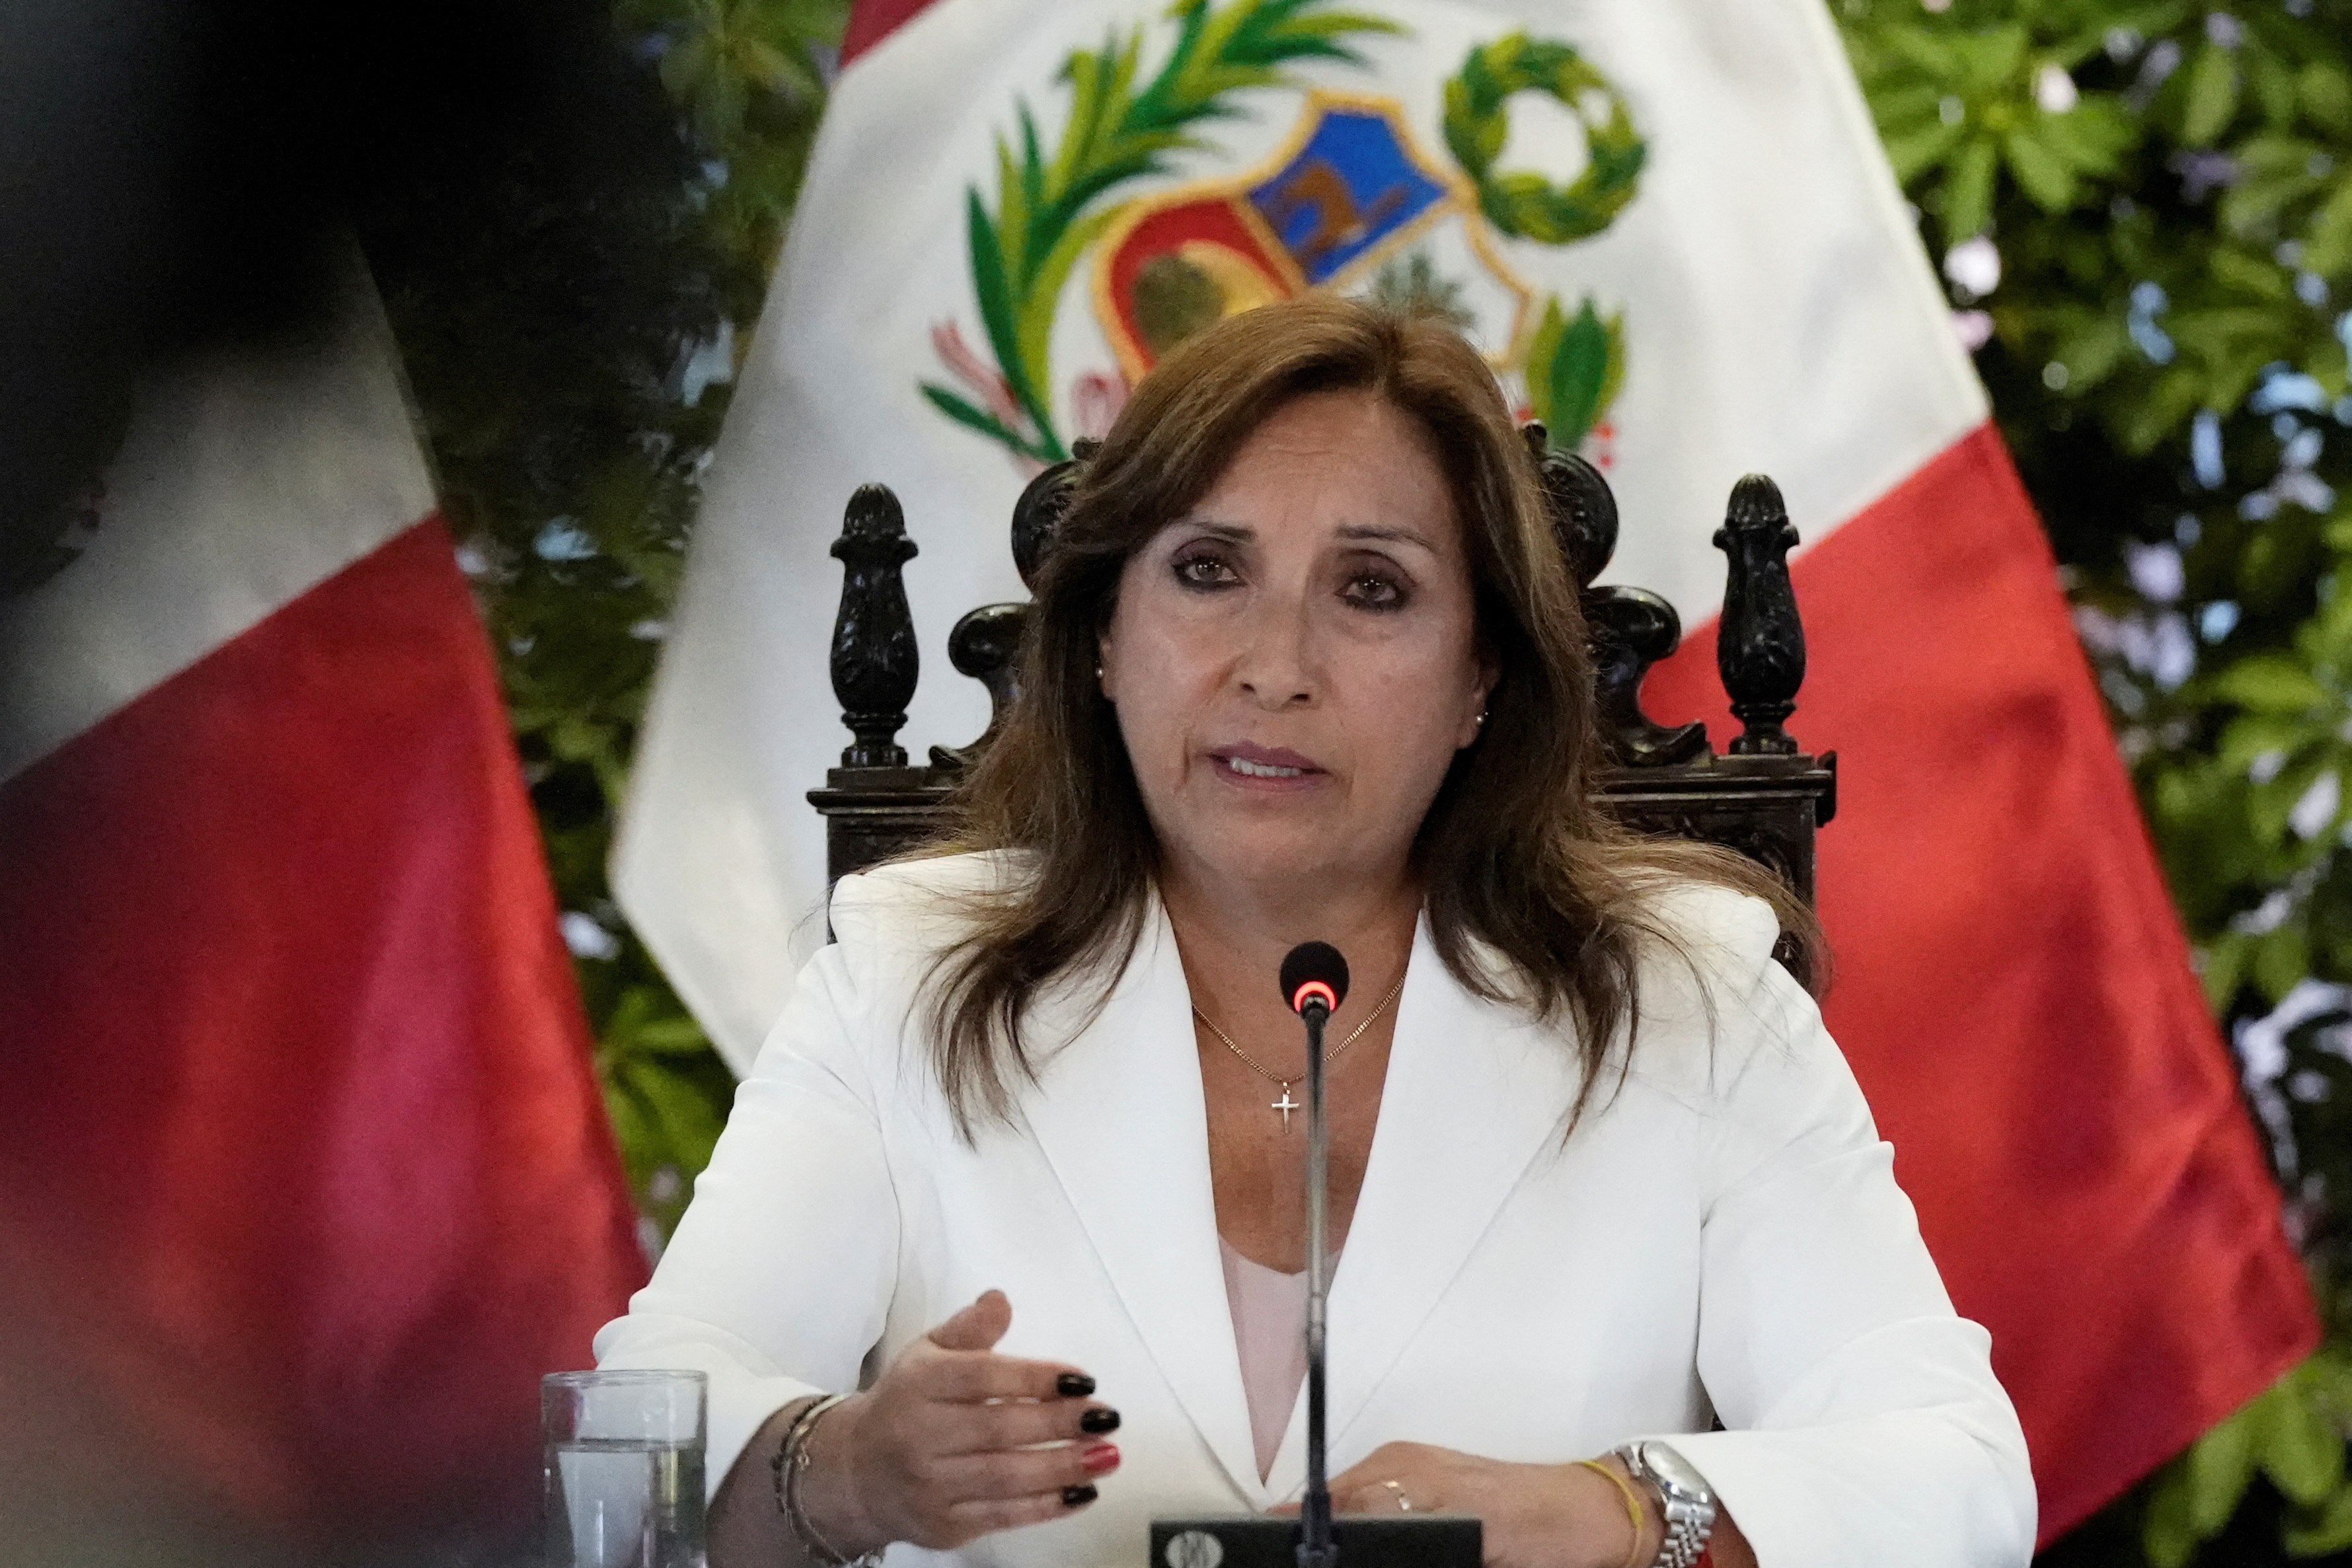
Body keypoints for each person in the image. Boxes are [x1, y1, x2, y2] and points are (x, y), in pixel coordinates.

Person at [594, 295, 2036, 1568]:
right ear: (1102, 635)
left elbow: (1956, 1474)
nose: (1273, 667)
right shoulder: (906, 978)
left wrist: (1609, 1511)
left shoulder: (1685, 1000)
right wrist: (837, 1473)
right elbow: (619, 1456)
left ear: (1481, 675)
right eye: (1207, 570)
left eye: (1371, 590)